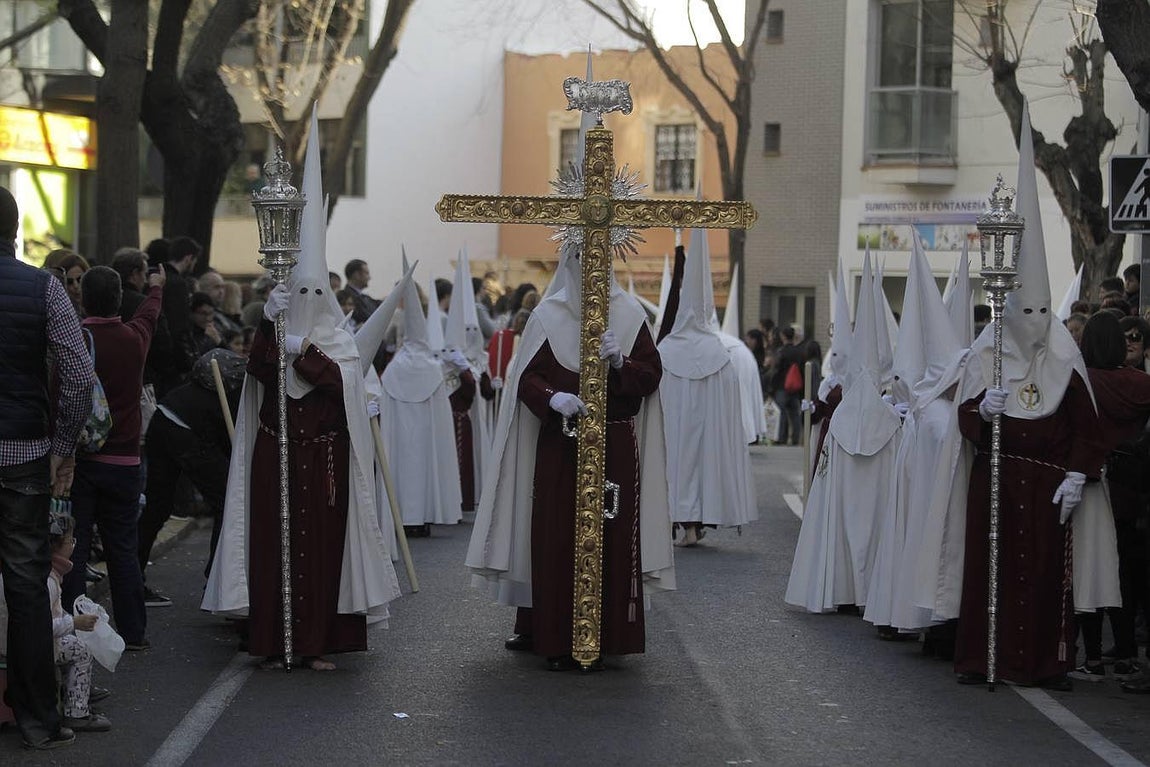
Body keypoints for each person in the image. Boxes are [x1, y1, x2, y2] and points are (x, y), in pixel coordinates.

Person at [203, 126, 401, 670]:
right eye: (304, 292)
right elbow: (261, 373)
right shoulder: (277, 327)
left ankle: (318, 642)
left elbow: (342, 386)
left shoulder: (338, 340)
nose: (312, 300)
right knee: (275, 548)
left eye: (320, 292)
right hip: (278, 453)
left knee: (319, 556)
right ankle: (272, 639)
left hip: (324, 460)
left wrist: (304, 353)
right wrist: (270, 330)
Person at [467, 246, 676, 670]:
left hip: (614, 447)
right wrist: (553, 396)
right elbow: (527, 380)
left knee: (611, 540)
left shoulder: (630, 314)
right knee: (556, 538)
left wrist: (622, 363)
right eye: (582, 255)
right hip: (559, 448)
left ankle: (603, 636)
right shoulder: (548, 316)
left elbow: (650, 376)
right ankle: (555, 635)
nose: (591, 266)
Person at [953, 110, 1103, 690]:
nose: (1038, 322)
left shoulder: (1066, 359)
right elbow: (964, 417)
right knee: (990, 576)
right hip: (997, 480)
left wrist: (1076, 475)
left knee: (1042, 580)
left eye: (1046, 312)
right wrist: (982, 411)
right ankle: (982, 656)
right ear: (1010, 309)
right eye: (1028, 312)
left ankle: (1044, 661)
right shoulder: (987, 352)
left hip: (1046, 491)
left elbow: (1085, 427)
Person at [0, 186, 92, 750]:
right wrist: (63, 445)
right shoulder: (43, 287)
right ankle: (38, 719)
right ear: (15, 229)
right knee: (27, 585)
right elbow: (79, 374)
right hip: (24, 453)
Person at [62, 264, 164, 653]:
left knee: (76, 546)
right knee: (123, 547)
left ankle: (75, 624)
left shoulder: (75, 340)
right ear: (119, 298)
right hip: (125, 463)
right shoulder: (134, 338)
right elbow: (150, 314)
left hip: (84, 462)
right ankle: (133, 630)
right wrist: (155, 288)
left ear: (82, 298)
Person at [658, 229, 757, 545]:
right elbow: (729, 407)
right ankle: (693, 523)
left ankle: (679, 521)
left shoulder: (666, 352)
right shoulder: (719, 354)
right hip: (705, 436)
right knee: (702, 470)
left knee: (676, 468)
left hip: (674, 433)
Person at [1071, 312, 1150, 682]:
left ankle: (1088, 653)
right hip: (1134, 492)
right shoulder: (1141, 385)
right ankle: (1126, 651)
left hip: (1091, 482)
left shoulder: (1081, 382)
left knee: (1085, 570)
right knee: (1126, 578)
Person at [137, 350, 244, 605]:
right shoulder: (241, 386)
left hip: (164, 417)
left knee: (156, 508)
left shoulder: (221, 381)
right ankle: (217, 580)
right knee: (227, 502)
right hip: (187, 432)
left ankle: (132, 579)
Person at [378, 275, 463, 535]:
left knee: (404, 462)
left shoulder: (394, 370)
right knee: (426, 461)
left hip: (403, 432)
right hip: (425, 429)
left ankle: (402, 513)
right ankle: (425, 512)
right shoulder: (432, 369)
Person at [46, 513, 111, 733]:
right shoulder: (48, 580)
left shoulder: (41, 571)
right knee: (82, 650)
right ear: (56, 546)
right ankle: (77, 712)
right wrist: (74, 622)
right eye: (70, 541)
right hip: (31, 646)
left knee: (72, 641)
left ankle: (77, 688)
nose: (73, 545)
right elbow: (41, 626)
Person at [773, 326, 805, 445]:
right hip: (796, 386)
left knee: (781, 412)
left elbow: (777, 370)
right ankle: (795, 438)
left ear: (783, 336)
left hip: (782, 386)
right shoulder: (799, 352)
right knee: (794, 414)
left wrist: (773, 386)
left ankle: (781, 437)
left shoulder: (781, 351)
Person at [344, 258, 379, 325]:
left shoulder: (365, 297)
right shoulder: (346, 298)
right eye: (366, 273)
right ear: (357, 275)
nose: (369, 277)